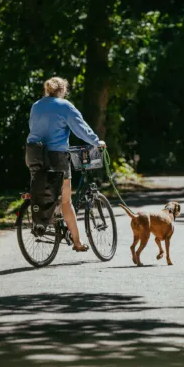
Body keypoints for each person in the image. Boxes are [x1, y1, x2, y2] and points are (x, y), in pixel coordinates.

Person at [26, 77, 106, 252]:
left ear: (48, 90)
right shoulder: (64, 106)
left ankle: (47, 221)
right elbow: (80, 127)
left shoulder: (36, 105)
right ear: (63, 90)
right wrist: (95, 141)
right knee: (66, 201)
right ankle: (77, 242)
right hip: (56, 155)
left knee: (42, 188)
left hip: (33, 153)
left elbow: (33, 127)